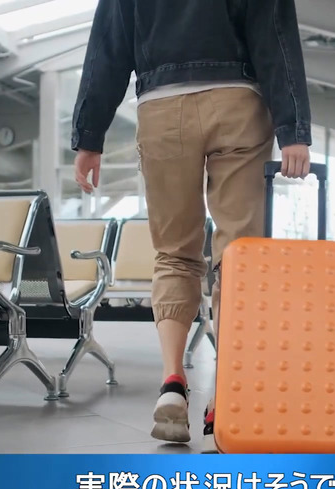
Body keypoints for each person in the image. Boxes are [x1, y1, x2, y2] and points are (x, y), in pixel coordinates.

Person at [71, 0, 313, 444]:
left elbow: (109, 41)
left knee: (174, 253)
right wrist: (292, 129)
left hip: (163, 108)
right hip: (238, 103)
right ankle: (227, 391)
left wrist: (89, 136)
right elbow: (274, 30)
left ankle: (172, 383)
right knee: (239, 258)